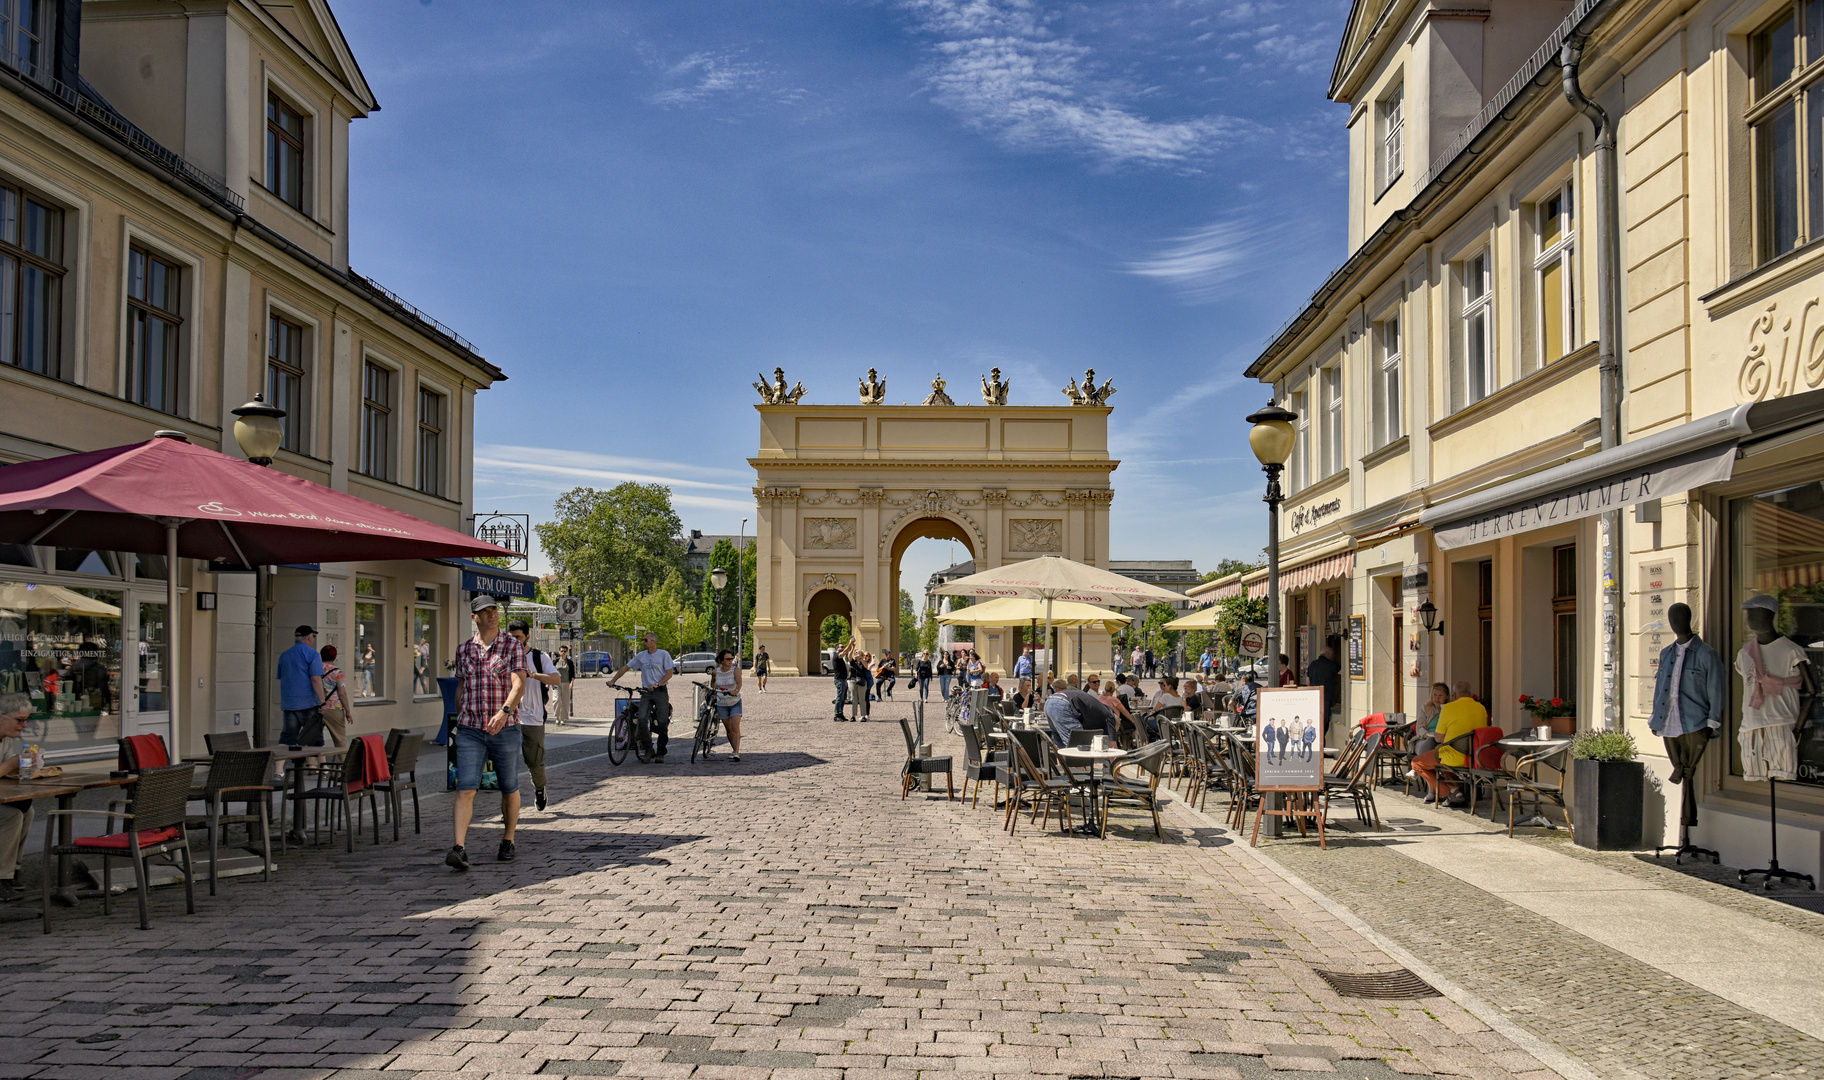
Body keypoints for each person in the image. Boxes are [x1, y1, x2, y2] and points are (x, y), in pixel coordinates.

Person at [447, 595, 528, 870]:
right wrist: (460, 715)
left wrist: (504, 712)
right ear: (475, 617)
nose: (492, 614)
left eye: (494, 609)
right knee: (465, 788)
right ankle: (459, 848)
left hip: (505, 728)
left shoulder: (512, 646)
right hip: (470, 729)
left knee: (509, 787)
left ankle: (508, 839)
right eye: (486, 611)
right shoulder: (464, 650)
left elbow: (519, 685)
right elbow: (461, 687)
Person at [507, 619, 560, 811]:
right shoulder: (503, 657)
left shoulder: (539, 657)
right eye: (511, 637)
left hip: (533, 717)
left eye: (518, 637)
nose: (514, 641)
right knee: (506, 763)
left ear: (527, 636)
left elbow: (556, 678)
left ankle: (539, 789)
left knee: (534, 761)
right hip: (509, 718)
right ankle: (509, 806)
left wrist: (534, 675)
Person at [1413, 685, 1490, 806]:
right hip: (1474, 757)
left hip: (1453, 756)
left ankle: (1449, 793)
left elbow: (1439, 738)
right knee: (1442, 764)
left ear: (1453, 695)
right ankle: (1456, 790)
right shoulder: (1481, 708)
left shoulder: (1448, 708)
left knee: (1417, 763)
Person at [609, 632, 677, 758]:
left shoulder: (663, 654)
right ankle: (648, 749)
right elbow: (626, 667)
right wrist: (613, 681)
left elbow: (669, 673)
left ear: (653, 642)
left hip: (660, 691)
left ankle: (661, 752)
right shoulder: (641, 656)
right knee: (641, 720)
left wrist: (657, 684)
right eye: (643, 640)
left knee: (662, 722)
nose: (643, 642)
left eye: (645, 640)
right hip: (646, 692)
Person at [0, 693, 33, 902]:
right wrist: (12, 764)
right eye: (19, 720)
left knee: (28, 812)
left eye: (26, 720)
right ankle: (1, 878)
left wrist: (26, 766)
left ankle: (13, 870)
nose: (24, 725)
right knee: (11, 816)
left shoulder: (5, 740)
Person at [277, 625, 327, 748]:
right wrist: (322, 702)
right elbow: (315, 679)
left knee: (287, 738)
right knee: (314, 737)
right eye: (313, 636)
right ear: (309, 638)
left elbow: (281, 677)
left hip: (289, 703)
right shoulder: (313, 654)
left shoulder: (284, 655)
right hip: (308, 703)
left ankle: (278, 766)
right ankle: (319, 766)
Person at [1044, 680, 1118, 747]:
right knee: (1078, 744)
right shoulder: (1109, 717)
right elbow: (1112, 746)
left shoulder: (1098, 708)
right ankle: (1075, 762)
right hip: (1062, 703)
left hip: (1051, 701)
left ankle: (1062, 762)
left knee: (1060, 743)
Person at [1306, 635, 1343, 745]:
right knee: (1324, 722)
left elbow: (1308, 681)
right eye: (1332, 654)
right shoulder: (1333, 665)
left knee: (1315, 722)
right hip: (1326, 698)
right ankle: (1321, 745)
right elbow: (1341, 678)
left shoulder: (1312, 664)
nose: (1333, 656)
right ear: (1328, 655)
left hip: (1313, 698)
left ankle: (1316, 744)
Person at [711, 648, 744, 762]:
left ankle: (736, 752)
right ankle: (734, 748)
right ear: (721, 661)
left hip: (734, 702)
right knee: (728, 729)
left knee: (735, 727)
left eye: (731, 659)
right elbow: (713, 684)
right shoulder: (716, 672)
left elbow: (739, 682)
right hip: (722, 703)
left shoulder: (735, 670)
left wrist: (736, 691)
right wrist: (714, 694)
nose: (730, 661)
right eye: (728, 659)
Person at [318, 644, 352, 748]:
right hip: (334, 708)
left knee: (313, 740)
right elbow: (342, 694)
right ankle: (343, 762)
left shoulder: (314, 669)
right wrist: (348, 711)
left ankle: (312, 764)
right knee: (340, 740)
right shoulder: (338, 672)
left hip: (316, 707)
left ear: (321, 655)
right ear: (335, 657)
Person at [554, 645, 576, 725]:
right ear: (559, 652)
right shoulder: (555, 661)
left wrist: (571, 682)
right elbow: (550, 671)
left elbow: (572, 673)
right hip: (556, 683)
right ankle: (557, 717)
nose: (563, 653)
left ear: (567, 652)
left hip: (566, 683)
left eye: (565, 651)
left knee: (564, 701)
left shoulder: (569, 662)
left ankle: (562, 718)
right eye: (561, 651)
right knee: (557, 700)